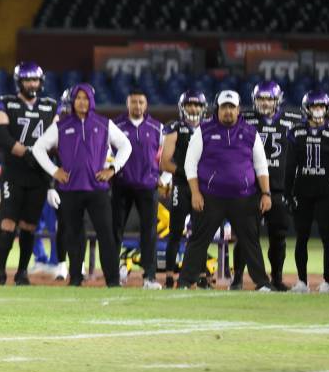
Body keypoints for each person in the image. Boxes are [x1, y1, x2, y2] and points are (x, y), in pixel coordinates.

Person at [31, 83, 132, 287]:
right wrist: (54, 171)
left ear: (92, 101)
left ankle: (112, 280)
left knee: (107, 236)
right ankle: (76, 278)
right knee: (73, 235)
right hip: (69, 190)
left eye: (86, 98)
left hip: (98, 190)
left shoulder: (104, 123)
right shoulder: (61, 125)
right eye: (78, 98)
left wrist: (113, 169)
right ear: (73, 101)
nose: (82, 102)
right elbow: (38, 148)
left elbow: (125, 145)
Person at [178, 90, 276, 291]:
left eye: (232, 107)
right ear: (218, 109)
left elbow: (261, 166)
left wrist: (266, 193)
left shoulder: (250, 132)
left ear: (239, 109)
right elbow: (190, 164)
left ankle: (262, 283)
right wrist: (195, 193)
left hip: (244, 197)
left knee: (250, 242)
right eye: (225, 107)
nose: (228, 112)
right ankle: (186, 281)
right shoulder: (203, 130)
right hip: (210, 196)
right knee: (198, 239)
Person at [0, 62, 58, 286]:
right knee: (8, 221)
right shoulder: (5, 102)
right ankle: (0, 271)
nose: (32, 84)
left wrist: (42, 161)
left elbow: (57, 138)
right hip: (14, 171)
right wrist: (28, 152)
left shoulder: (50, 105)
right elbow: (2, 136)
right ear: (19, 81)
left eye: (35, 80)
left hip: (38, 173)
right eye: (28, 80)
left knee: (30, 225)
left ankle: (22, 273)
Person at [233, 81, 300, 290]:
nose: (264, 102)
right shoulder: (245, 119)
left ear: (277, 100)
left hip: (279, 188)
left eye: (269, 98)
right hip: (250, 188)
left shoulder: (292, 121)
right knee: (245, 235)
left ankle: (276, 278)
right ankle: (237, 279)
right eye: (261, 98)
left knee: (278, 237)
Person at [284, 92, 329, 293]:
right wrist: (287, 192)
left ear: (328, 108)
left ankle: (327, 281)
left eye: (321, 106)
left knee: (327, 238)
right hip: (302, 192)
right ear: (306, 109)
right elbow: (290, 166)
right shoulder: (296, 132)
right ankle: (302, 281)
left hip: (325, 193)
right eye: (313, 106)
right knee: (301, 237)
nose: (317, 110)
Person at [111, 89, 165, 289]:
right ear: (127, 104)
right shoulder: (115, 126)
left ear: (146, 104)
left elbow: (167, 154)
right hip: (121, 185)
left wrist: (165, 177)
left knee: (149, 232)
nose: (137, 106)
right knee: (115, 230)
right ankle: (113, 273)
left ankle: (149, 277)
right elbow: (105, 151)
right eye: (134, 102)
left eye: (141, 102)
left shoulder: (157, 127)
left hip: (148, 186)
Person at [161, 91, 207, 289]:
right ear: (182, 107)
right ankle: (170, 276)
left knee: (201, 232)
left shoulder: (209, 128)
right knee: (175, 232)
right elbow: (165, 162)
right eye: (190, 105)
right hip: (181, 185)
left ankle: (202, 276)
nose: (194, 109)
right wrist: (189, 173)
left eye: (197, 105)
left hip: (203, 187)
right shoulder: (175, 127)